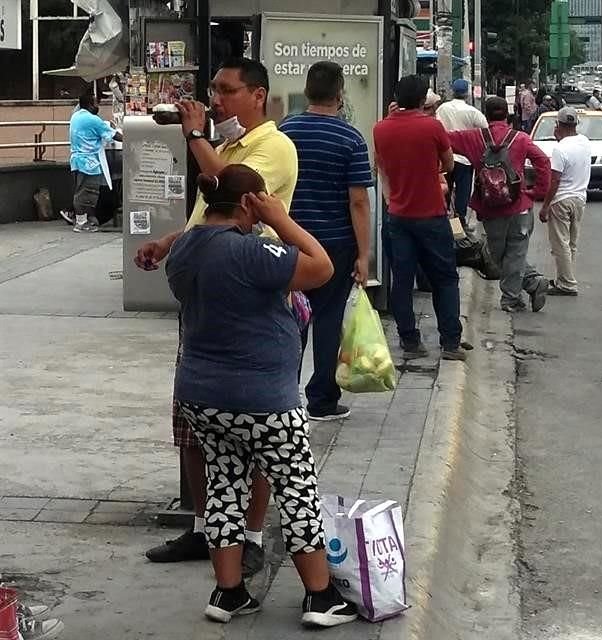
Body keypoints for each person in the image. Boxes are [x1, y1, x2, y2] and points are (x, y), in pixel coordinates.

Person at [166, 164, 357, 628]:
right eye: (263, 200)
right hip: (264, 399)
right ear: (251, 203)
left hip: (201, 396)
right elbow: (322, 267)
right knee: (297, 490)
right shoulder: (252, 251)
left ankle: (228, 593)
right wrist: (281, 220)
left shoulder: (185, 249)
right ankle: (320, 597)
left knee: (224, 487)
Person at [136, 57, 298, 575]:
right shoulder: (225, 146)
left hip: (256, 291)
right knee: (193, 416)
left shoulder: (273, 147)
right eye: (213, 89)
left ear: (258, 95)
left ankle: (248, 534)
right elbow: (212, 217)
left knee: (260, 422)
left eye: (227, 90)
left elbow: (228, 189)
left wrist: (194, 134)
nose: (218, 98)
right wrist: (167, 242)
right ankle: (206, 525)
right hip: (208, 292)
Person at [278, 61, 373, 422]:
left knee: (291, 318)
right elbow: (359, 202)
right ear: (340, 93)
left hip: (292, 242)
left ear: (307, 90)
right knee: (328, 318)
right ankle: (321, 400)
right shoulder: (350, 139)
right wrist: (364, 255)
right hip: (335, 244)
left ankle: (284, 395)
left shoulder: (286, 131)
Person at [373, 75, 467, 360]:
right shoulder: (432, 127)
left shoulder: (380, 129)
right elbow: (449, 163)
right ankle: (450, 342)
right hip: (431, 215)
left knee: (401, 280)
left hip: (398, 216)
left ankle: (409, 340)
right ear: (421, 100)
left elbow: (380, 165)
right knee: (445, 278)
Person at [447, 96, 552, 312]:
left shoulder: (475, 137)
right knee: (516, 251)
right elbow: (543, 161)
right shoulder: (521, 138)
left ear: (485, 115)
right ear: (509, 114)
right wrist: (538, 191)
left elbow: (443, 138)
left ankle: (512, 297)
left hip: (490, 208)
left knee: (497, 253)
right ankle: (531, 283)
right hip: (519, 205)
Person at [538, 107, 592, 297]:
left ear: (558, 125)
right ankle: (565, 277)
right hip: (579, 198)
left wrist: (545, 206)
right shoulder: (584, 142)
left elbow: (555, 181)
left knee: (560, 243)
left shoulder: (560, 149)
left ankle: (567, 283)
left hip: (561, 199)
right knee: (571, 243)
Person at [436, 78, 488, 231]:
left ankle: (444, 218)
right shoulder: (473, 112)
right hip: (465, 159)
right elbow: (485, 129)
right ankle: (461, 221)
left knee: (445, 187)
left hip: (445, 156)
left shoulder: (442, 109)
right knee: (463, 191)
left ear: (453, 91)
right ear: (467, 93)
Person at [68, 92, 122, 233]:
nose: (98, 106)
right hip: (89, 163)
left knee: (81, 191)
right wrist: (133, 137)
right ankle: (81, 223)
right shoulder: (93, 119)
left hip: (76, 161)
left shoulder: (76, 116)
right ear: (91, 104)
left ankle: (84, 220)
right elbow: (113, 134)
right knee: (87, 193)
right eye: (96, 103)